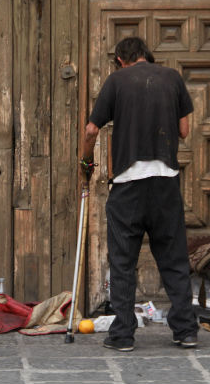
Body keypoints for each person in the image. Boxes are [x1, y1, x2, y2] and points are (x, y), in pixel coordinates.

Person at [81, 36, 199, 351]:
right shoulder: (172, 77)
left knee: (123, 261)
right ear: (146, 55)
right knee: (173, 258)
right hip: (165, 181)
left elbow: (92, 129)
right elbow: (185, 129)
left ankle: (122, 335)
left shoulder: (117, 80)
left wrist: (85, 161)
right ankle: (186, 331)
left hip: (128, 184)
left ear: (120, 59)